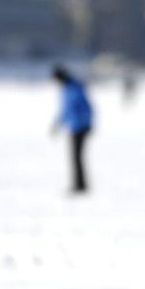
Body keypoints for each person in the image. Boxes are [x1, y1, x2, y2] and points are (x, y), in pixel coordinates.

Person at [51, 65, 94, 194]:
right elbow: (66, 110)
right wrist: (58, 123)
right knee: (75, 157)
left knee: (77, 157)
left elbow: (85, 108)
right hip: (74, 126)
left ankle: (80, 185)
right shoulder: (68, 89)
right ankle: (78, 183)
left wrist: (86, 124)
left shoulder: (74, 89)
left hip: (80, 127)